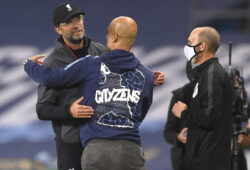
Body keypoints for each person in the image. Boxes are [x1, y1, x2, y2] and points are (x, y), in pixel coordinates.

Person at [24, 16, 163, 170]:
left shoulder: (90, 63)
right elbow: (140, 114)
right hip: (131, 150)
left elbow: (50, 77)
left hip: (96, 150)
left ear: (115, 36)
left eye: (108, 32)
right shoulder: (147, 75)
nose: (106, 36)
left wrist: (28, 65)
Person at [35, 2, 108, 170]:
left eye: (78, 19)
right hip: (72, 144)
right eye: (68, 22)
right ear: (58, 30)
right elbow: (42, 109)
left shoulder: (101, 52)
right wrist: (70, 111)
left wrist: (147, 78)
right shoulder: (52, 63)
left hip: (102, 139)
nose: (76, 25)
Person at [172, 26, 233, 170]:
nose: (187, 46)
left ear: (202, 46)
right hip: (201, 159)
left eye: (190, 42)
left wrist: (183, 112)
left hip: (209, 161)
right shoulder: (204, 74)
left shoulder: (213, 74)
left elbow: (209, 117)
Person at [163, 61, 193, 170]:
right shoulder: (180, 96)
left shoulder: (218, 94)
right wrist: (178, 137)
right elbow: (168, 132)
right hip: (187, 159)